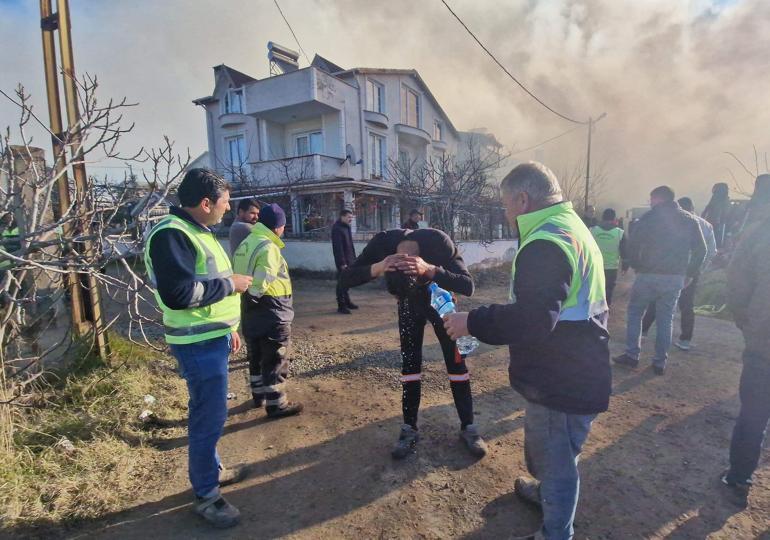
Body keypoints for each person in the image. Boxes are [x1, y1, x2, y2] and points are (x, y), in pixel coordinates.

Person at [443, 162, 610, 540]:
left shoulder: (545, 243)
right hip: (579, 362)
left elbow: (533, 320)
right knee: (557, 449)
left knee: (557, 460)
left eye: (505, 204)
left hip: (560, 375)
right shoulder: (570, 227)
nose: (505, 213)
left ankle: (555, 532)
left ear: (522, 199)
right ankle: (546, 494)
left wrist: (473, 322)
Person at [143, 168, 252, 528]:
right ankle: (207, 496)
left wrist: (230, 328)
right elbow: (179, 295)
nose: (228, 208)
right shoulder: (171, 235)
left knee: (210, 411)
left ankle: (212, 470)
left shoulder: (196, 231)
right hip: (196, 341)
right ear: (206, 203)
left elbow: (204, 286)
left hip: (211, 336)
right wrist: (232, 284)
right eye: (225, 202)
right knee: (209, 417)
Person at [339, 227, 487, 459]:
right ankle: (409, 428)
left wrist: (429, 270)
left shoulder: (439, 242)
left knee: (456, 363)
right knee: (410, 363)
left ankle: (468, 427)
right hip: (410, 304)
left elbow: (468, 285)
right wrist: (377, 267)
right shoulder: (382, 243)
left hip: (441, 298)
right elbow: (344, 278)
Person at [614, 186, 706, 375]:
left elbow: (633, 243)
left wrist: (637, 266)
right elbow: (701, 250)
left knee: (635, 313)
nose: (650, 201)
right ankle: (659, 362)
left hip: (648, 274)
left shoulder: (648, 218)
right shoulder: (689, 220)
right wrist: (689, 273)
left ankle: (632, 355)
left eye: (651, 198)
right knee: (666, 319)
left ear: (657, 199)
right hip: (674, 277)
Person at [233, 203, 303, 418]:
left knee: (255, 353)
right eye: (283, 226)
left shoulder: (247, 242)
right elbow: (264, 278)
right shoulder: (269, 247)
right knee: (275, 358)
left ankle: (258, 395)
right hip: (272, 309)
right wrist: (255, 297)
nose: (283, 229)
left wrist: (249, 300)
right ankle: (277, 404)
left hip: (248, 307)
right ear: (277, 227)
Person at [721, 201, 770, 504]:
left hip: (764, 342)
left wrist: (747, 320)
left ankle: (739, 475)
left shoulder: (760, 232)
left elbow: (736, 279)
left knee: (753, 413)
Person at [640, 197, 717, 350]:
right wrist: (698, 270)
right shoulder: (706, 225)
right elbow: (710, 251)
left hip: (672, 270)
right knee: (687, 306)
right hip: (692, 272)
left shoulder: (676, 222)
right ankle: (685, 340)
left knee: (657, 300)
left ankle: (643, 331)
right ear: (693, 207)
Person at [590, 208, 626, 305]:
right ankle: (606, 309)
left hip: (594, 266)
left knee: (594, 289)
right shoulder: (620, 233)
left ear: (602, 218)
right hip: (611, 267)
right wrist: (625, 266)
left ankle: (593, 311)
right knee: (608, 290)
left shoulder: (592, 230)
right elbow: (624, 251)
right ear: (614, 219)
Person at [331, 209, 358, 314]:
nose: (350, 219)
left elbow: (350, 245)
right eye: (348, 217)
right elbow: (338, 248)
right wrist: (342, 263)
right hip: (343, 261)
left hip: (349, 259)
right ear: (342, 216)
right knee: (341, 283)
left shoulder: (346, 227)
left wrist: (353, 259)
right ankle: (341, 305)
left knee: (346, 282)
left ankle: (347, 302)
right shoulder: (337, 229)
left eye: (351, 217)